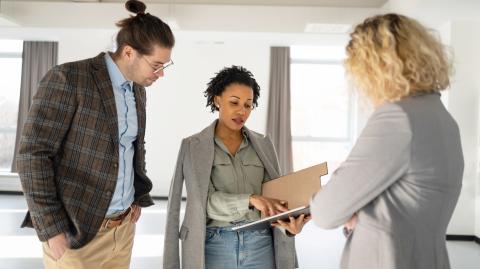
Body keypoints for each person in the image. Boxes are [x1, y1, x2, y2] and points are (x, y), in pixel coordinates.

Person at [16, 1, 175, 268]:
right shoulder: (69, 78)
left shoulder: (138, 90)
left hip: (122, 232)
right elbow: (33, 156)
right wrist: (51, 228)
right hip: (76, 234)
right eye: (156, 65)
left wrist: (136, 195)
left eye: (165, 66)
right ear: (128, 52)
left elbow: (134, 146)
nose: (160, 74)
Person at [310, 13, 464, 269]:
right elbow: (408, 204)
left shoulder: (398, 118)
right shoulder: (442, 118)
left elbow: (325, 213)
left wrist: (344, 184)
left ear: (376, 66)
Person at [163, 66, 310, 269]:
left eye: (248, 105)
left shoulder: (264, 144)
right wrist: (250, 200)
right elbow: (205, 203)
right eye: (234, 102)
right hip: (214, 246)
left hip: (261, 245)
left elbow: (275, 202)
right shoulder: (192, 146)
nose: (242, 111)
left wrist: (290, 226)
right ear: (217, 100)